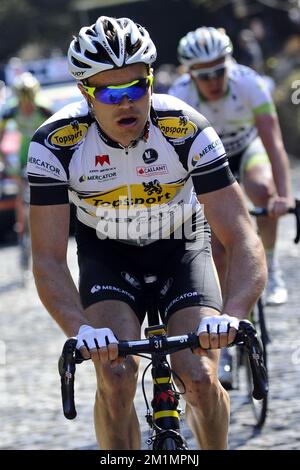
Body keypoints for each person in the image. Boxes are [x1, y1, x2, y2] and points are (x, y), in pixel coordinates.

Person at [28, 16, 266, 450]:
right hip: (108, 254)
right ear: (85, 92)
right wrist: (79, 329)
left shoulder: (186, 127)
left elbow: (240, 234)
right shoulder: (56, 142)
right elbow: (46, 258)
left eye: (137, 87)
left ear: (152, 80)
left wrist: (234, 313)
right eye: (111, 93)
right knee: (115, 375)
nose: (127, 104)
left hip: (180, 246)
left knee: (198, 375)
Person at [169, 27, 293, 307]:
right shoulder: (179, 97)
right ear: (189, 74)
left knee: (263, 190)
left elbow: (273, 143)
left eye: (219, 72)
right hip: (208, 162)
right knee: (217, 242)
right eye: (204, 76)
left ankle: (271, 269)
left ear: (229, 65)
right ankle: (231, 312)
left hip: (247, 149)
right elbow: (177, 160)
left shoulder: (249, 83)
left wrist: (283, 197)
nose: (214, 81)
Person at [0, 72, 52, 239]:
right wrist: (4, 159)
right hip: (23, 154)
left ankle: (47, 227)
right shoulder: (11, 110)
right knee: (20, 192)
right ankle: (21, 230)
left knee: (46, 192)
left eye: (29, 98)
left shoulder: (44, 108)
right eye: (23, 99)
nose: (26, 104)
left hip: (43, 152)